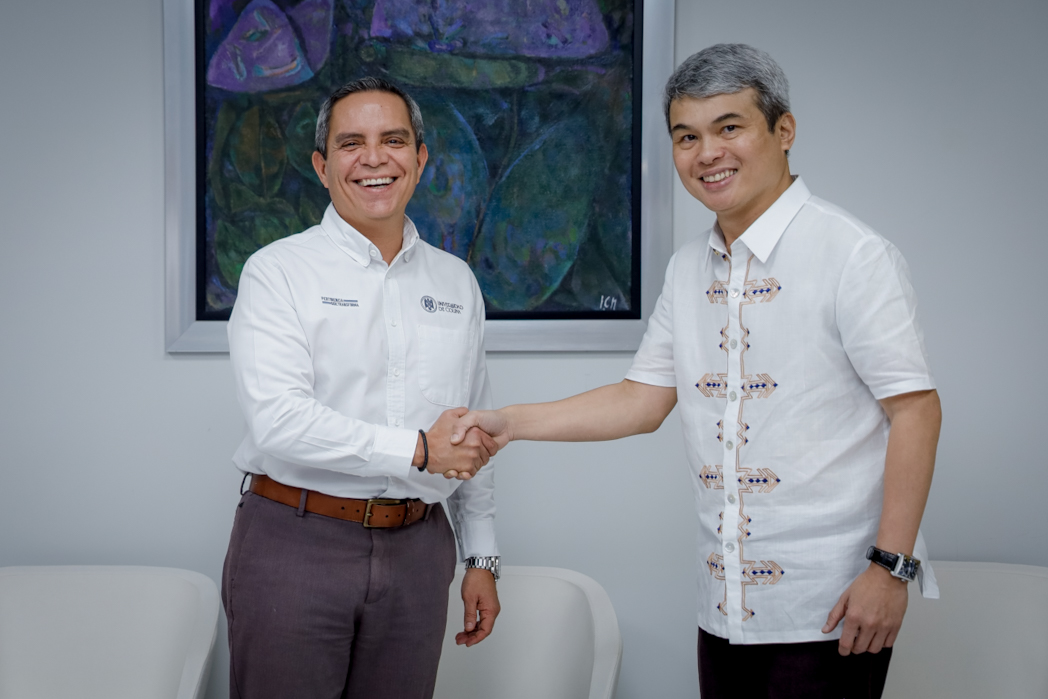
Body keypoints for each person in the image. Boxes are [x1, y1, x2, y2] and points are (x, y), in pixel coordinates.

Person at [450, 44, 941, 698]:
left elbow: (915, 410)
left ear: (784, 130)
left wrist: (890, 569)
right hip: (724, 603)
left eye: (729, 127)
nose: (707, 153)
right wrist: (509, 422)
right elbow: (642, 399)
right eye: (687, 136)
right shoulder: (688, 268)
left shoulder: (852, 254)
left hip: (832, 604)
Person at [223, 77, 502, 699]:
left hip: (420, 549)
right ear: (322, 166)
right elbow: (280, 422)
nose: (374, 159)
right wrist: (418, 450)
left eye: (393, 141)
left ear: (420, 159)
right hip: (296, 541)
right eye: (351, 143)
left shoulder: (456, 282)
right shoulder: (277, 272)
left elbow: (471, 431)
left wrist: (481, 557)